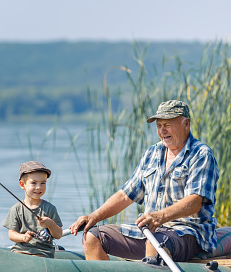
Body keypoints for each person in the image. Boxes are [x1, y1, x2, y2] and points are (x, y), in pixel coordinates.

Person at [69, 100, 219, 262]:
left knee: (155, 243)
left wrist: (160, 216)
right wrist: (95, 216)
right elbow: (126, 195)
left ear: (186, 124)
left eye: (167, 124)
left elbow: (195, 202)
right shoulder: (152, 153)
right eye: (159, 125)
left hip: (190, 232)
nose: (162, 130)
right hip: (149, 231)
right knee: (92, 236)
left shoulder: (201, 154)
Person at [2, 161, 63, 258]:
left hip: (43, 254)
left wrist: (51, 224)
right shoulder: (16, 209)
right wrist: (23, 237)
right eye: (33, 183)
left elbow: (58, 235)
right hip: (20, 252)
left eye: (43, 183)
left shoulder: (50, 208)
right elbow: (11, 234)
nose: (39, 187)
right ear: (22, 185)